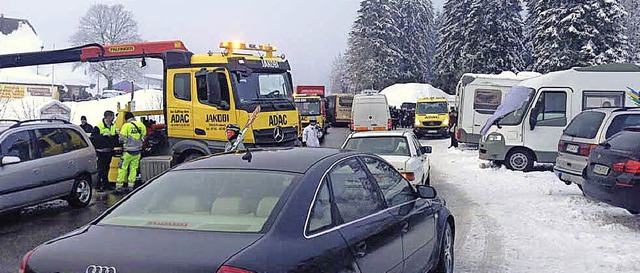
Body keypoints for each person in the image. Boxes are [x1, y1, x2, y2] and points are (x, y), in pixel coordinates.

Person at [116, 112, 146, 193]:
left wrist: (118, 133)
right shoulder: (141, 125)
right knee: (133, 169)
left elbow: (122, 139)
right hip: (137, 152)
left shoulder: (126, 126)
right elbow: (143, 138)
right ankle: (131, 185)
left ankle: (119, 186)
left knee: (122, 168)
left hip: (127, 152)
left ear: (126, 119)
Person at [90, 111, 118, 192]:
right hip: (101, 151)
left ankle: (106, 185)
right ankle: (98, 185)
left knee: (107, 168)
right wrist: (103, 136)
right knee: (101, 169)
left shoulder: (112, 126)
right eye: (112, 116)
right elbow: (93, 138)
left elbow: (114, 135)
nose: (113, 118)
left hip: (109, 150)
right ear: (108, 117)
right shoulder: (99, 126)